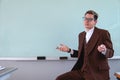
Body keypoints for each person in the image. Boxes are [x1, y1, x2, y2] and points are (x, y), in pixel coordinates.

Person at [56, 10, 114, 80]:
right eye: (85, 19)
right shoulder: (81, 35)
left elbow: (111, 53)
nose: (86, 21)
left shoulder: (103, 33)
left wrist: (104, 50)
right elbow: (83, 54)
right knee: (60, 78)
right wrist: (69, 50)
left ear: (95, 22)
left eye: (90, 19)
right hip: (82, 71)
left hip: (97, 73)